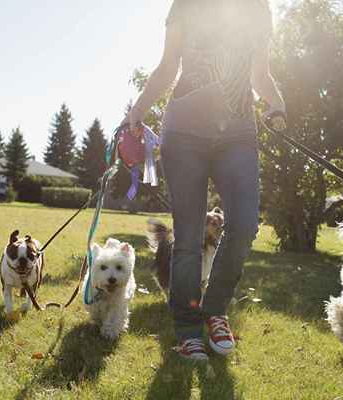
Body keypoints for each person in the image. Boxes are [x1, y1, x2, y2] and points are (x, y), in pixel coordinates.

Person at [124, 0, 286, 361]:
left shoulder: (259, 9)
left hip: (239, 133)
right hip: (183, 133)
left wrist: (276, 102)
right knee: (189, 237)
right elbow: (168, 66)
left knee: (244, 225)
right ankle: (186, 328)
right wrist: (138, 110)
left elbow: (260, 73)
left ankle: (215, 311)